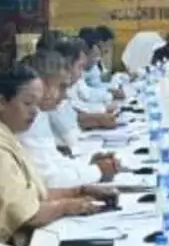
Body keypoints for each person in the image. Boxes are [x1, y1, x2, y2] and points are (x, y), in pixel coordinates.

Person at [0, 65, 101, 246]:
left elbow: (34, 197)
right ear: (2, 102)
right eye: (28, 103)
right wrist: (68, 206)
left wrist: (79, 191)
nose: (35, 111)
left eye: (37, 104)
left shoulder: (5, 135)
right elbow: (27, 215)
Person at [17, 49, 120, 189]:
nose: (65, 95)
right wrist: (97, 171)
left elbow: (54, 160)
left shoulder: (40, 115)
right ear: (41, 84)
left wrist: (88, 164)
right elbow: (49, 181)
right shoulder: (24, 119)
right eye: (61, 87)